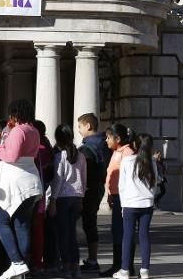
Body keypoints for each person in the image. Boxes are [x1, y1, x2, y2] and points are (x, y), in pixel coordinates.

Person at [0, 99, 43, 279]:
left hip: (14, 181)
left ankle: (17, 262)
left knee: (2, 223)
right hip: (31, 180)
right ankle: (21, 268)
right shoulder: (34, 131)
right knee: (22, 225)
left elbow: (10, 156)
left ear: (15, 114)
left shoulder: (18, 131)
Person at [113, 134, 158, 279]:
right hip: (147, 203)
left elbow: (122, 186)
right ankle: (145, 270)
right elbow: (155, 183)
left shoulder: (127, 161)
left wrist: (123, 205)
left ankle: (125, 270)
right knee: (144, 235)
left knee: (128, 235)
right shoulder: (151, 161)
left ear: (135, 145)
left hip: (130, 203)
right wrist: (151, 198)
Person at [48, 124, 87, 278]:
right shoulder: (81, 156)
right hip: (77, 197)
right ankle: (75, 266)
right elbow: (84, 179)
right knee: (72, 233)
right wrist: (82, 197)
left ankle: (66, 265)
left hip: (62, 198)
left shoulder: (60, 157)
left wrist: (53, 201)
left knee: (63, 234)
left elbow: (58, 180)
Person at [101, 123, 137, 277]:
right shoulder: (117, 151)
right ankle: (118, 264)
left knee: (123, 231)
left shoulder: (127, 152)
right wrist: (109, 193)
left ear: (118, 138)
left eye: (109, 138)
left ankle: (125, 265)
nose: (106, 140)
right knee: (117, 231)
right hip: (116, 196)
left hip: (124, 198)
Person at [76, 113, 108, 273]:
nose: (79, 130)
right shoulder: (105, 143)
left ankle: (89, 261)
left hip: (88, 190)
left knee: (84, 224)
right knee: (91, 224)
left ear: (88, 126)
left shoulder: (86, 148)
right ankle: (92, 259)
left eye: (80, 127)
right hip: (99, 188)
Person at [30, 120, 55, 274]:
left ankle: (33, 261)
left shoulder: (37, 148)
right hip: (44, 191)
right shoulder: (48, 147)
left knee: (31, 228)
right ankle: (39, 262)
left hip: (34, 192)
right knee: (39, 229)